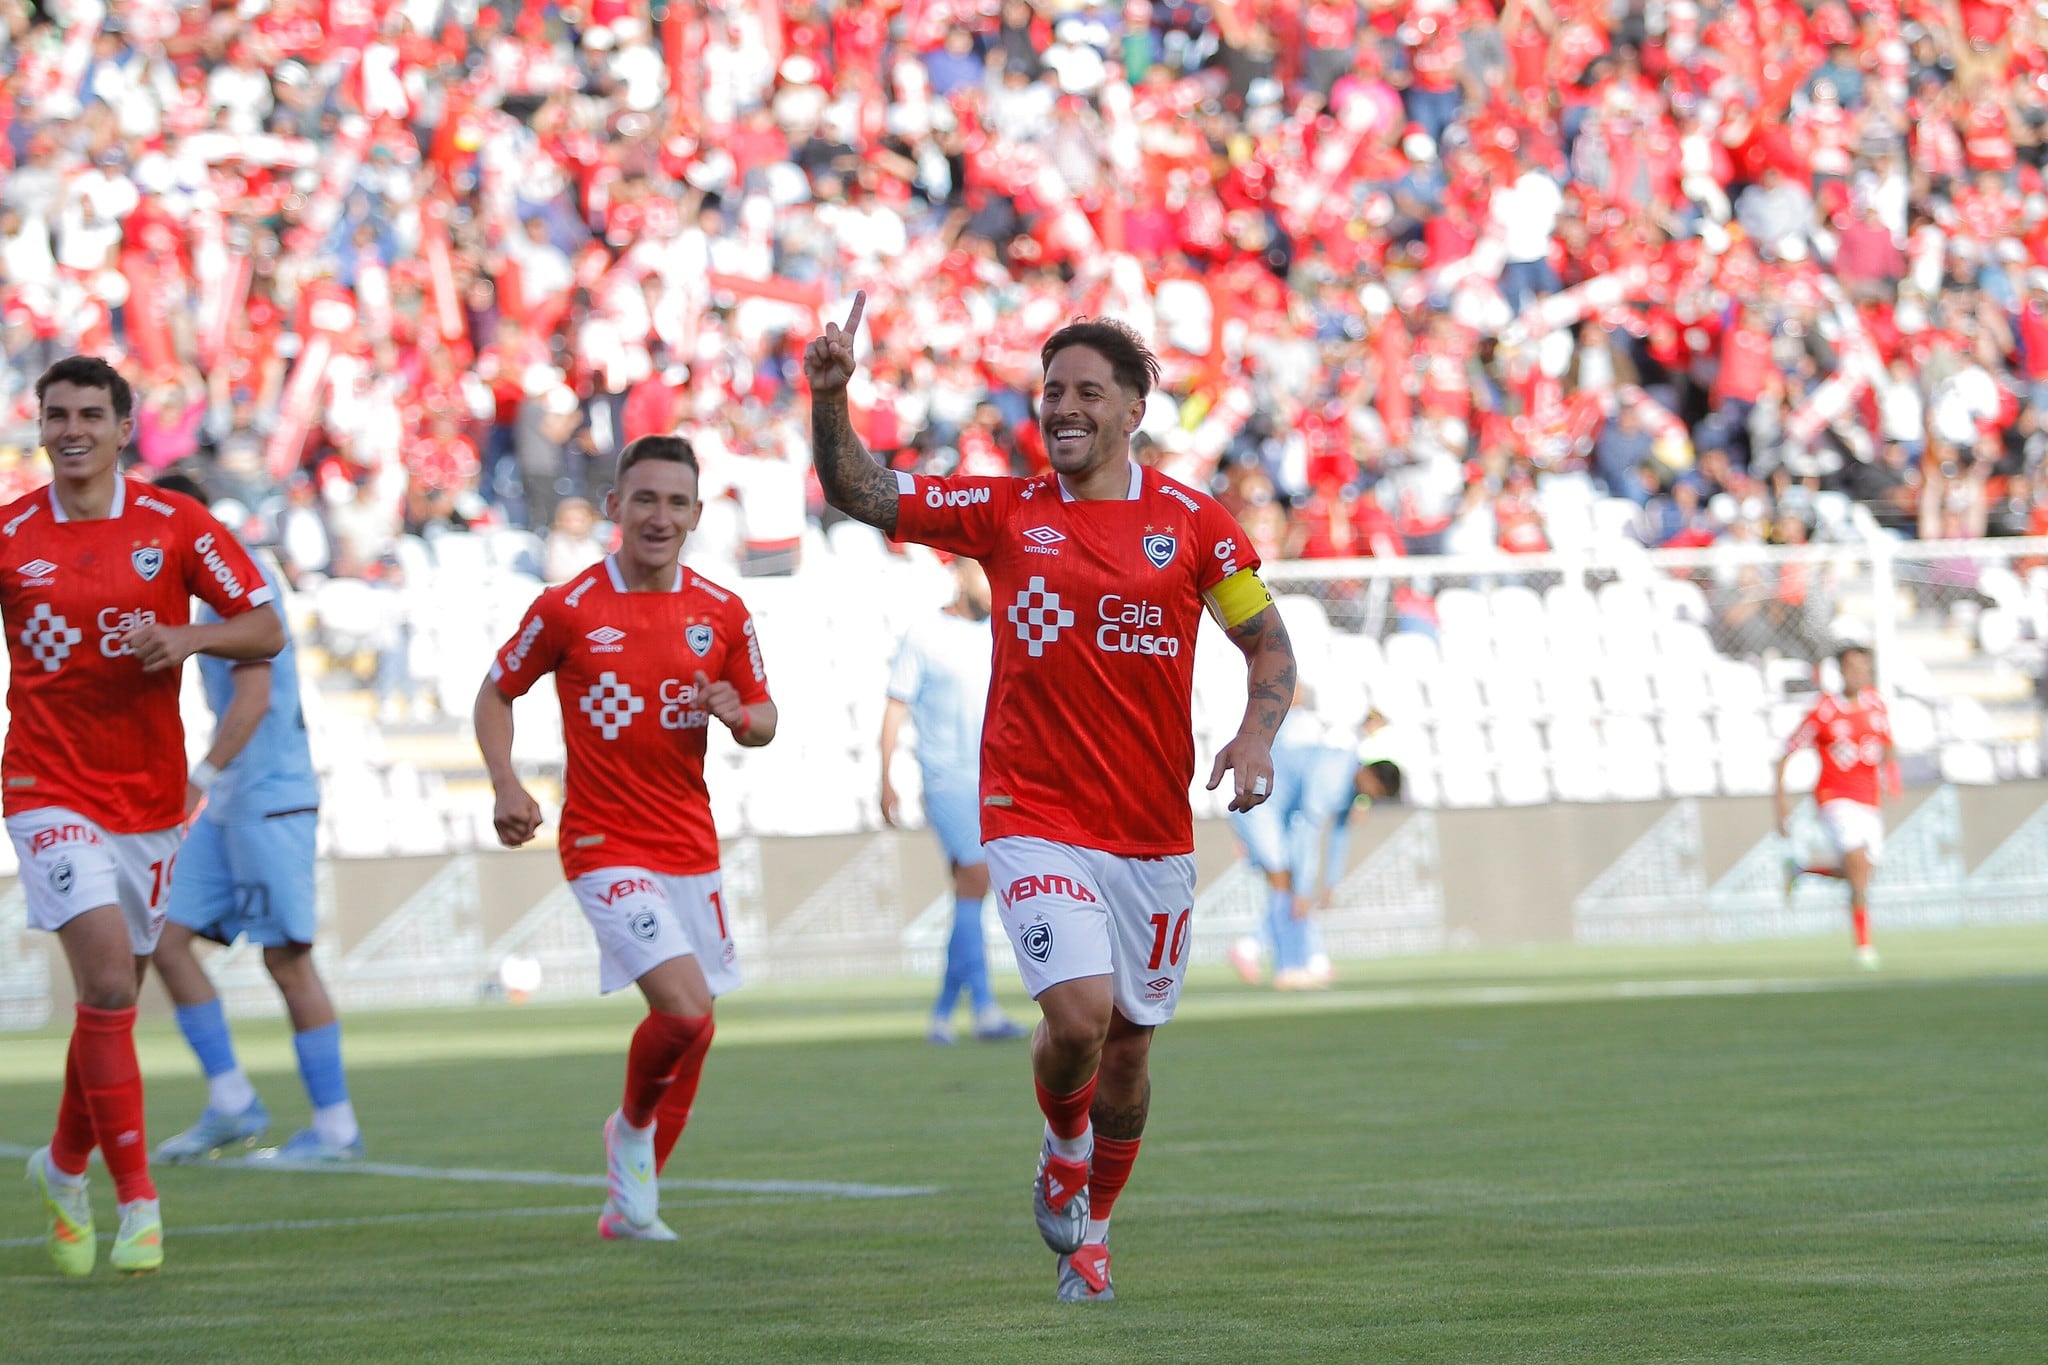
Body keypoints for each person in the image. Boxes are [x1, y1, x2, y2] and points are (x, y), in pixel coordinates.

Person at [807, 299, 1295, 1303]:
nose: (1062, 408)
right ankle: (1059, 1146)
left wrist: (1254, 730)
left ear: (1132, 410)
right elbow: (861, 489)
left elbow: (1265, 642)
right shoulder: (1005, 514)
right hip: (1034, 819)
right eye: (1051, 392)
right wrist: (828, 397)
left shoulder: (1196, 528)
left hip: (1153, 835)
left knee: (1129, 1051)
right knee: (1078, 1018)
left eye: (1085, 393)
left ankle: (1094, 1231)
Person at [7, 356, 284, 1277]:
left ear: (127, 428)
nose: (72, 427)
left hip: (151, 799)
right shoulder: (9, 534)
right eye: (57, 414)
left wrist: (189, 635)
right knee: (111, 986)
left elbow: (262, 627)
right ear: (39, 426)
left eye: (91, 412)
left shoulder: (176, 523)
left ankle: (61, 1164)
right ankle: (138, 1203)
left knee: (106, 1000)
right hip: (46, 788)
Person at [474, 433, 777, 1242]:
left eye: (677, 502)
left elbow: (766, 716)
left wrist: (740, 717)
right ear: (614, 506)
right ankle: (633, 1132)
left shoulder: (723, 611)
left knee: (700, 1025)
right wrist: (507, 783)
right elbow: (496, 692)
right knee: (681, 1012)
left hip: (690, 843)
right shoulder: (568, 607)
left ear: (697, 514)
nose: (660, 515)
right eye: (644, 498)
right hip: (604, 841)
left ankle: (631, 1198)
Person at [143, 472, 363, 1166]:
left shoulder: (231, 575)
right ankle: (233, 1101)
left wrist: (196, 780)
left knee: (287, 957)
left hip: (270, 793)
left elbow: (255, 693)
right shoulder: (198, 581)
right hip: (238, 795)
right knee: (166, 937)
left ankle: (335, 1127)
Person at [879, 555, 1026, 1045]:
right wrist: (886, 778)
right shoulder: (924, 634)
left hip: (995, 778)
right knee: (977, 877)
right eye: (986, 572)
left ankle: (944, 1014)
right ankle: (982, 1010)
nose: (994, 584)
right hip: (947, 780)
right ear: (961, 573)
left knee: (971, 889)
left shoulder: (1000, 630)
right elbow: (896, 706)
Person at [1225, 682, 1361, 991]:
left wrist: (1323, 882)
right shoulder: (1285, 728)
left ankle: (1286, 957)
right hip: (1261, 809)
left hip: (1274, 815)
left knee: (1290, 885)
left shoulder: (1308, 735)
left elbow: (1330, 827)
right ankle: (1288, 965)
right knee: (1286, 884)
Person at [1776, 644, 1898, 970]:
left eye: (1864, 668)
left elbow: (1888, 744)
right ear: (1841, 671)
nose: (1860, 674)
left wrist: (1893, 777)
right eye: (1853, 668)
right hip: (1835, 798)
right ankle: (1864, 947)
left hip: (1869, 802)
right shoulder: (1825, 711)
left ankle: (1801, 870)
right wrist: (1780, 804)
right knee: (1857, 864)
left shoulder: (1876, 704)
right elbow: (1786, 751)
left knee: (1859, 873)